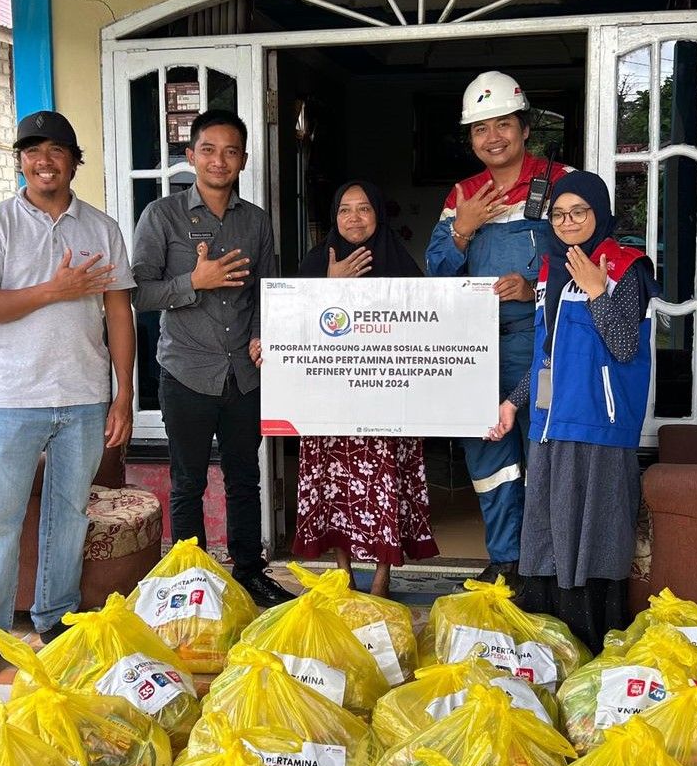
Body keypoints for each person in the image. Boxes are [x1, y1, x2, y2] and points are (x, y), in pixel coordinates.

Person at [0, 110, 137, 681]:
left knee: (68, 514)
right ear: (21, 162)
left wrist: (123, 394)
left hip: (83, 395)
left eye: (56, 150)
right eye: (32, 152)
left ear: (74, 161)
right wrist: (52, 290)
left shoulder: (101, 229)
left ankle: (55, 619)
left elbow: (118, 314)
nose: (44, 160)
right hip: (13, 397)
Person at [486, 170, 661, 653]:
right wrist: (512, 403)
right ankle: (553, 649)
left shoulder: (628, 267)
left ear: (599, 213)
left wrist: (598, 290)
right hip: (549, 424)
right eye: (558, 214)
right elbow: (548, 355)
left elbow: (625, 347)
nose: (567, 221)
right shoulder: (551, 270)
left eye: (578, 212)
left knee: (595, 533)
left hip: (599, 425)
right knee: (546, 532)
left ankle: (594, 643)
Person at [131, 109, 295, 608]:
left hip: (244, 374)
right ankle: (192, 580)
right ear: (190, 157)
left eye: (230, 151)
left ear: (243, 159)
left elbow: (269, 288)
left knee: (246, 476)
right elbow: (138, 292)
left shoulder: (256, 220)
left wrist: (263, 333)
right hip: (186, 371)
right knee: (189, 481)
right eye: (208, 149)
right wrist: (191, 283)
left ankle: (250, 571)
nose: (219, 160)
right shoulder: (162, 216)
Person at [426, 70, 571, 584]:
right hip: (476, 348)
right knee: (489, 458)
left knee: (545, 452)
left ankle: (547, 565)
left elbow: (589, 258)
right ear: (471, 138)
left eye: (503, 124)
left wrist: (534, 286)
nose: (493, 137)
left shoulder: (560, 183)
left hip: (543, 344)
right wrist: (462, 229)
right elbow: (436, 273)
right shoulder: (464, 193)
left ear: (525, 127)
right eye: (480, 128)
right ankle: (506, 560)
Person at [291, 181, 439, 596]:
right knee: (336, 487)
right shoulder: (318, 260)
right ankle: (342, 571)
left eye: (364, 209)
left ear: (379, 215)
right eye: (344, 210)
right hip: (331, 402)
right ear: (334, 217)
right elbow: (293, 323)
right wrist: (329, 282)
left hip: (386, 400)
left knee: (383, 483)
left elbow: (429, 323)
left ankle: (381, 576)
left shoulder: (399, 261)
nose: (354, 218)